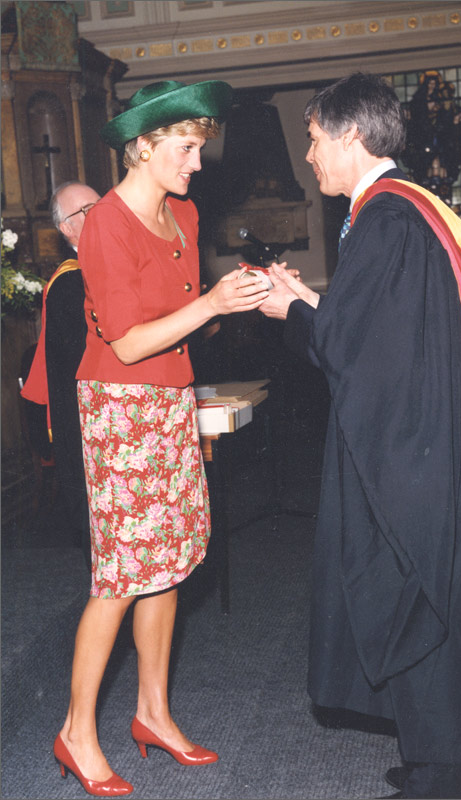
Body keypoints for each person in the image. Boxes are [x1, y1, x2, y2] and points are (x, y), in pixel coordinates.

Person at [260, 73, 461, 799]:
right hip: (430, 439)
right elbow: (379, 327)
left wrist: (293, 316)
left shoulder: (385, 221)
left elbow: (357, 350)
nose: (309, 156)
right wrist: (309, 301)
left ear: (351, 135)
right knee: (429, 604)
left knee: (420, 603)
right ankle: (439, 759)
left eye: (314, 139)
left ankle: (449, 778)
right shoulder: (404, 208)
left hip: (412, 456)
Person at [53, 79, 270, 797]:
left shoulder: (184, 212)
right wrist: (211, 302)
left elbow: (187, 322)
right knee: (121, 575)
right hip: (119, 407)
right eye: (185, 148)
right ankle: (76, 732)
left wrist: (247, 297)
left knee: (169, 563)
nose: (196, 164)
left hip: (172, 397)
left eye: (199, 148)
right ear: (142, 147)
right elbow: (127, 340)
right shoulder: (106, 226)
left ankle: (152, 713)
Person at [21, 181, 101, 567]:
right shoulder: (70, 283)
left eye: (100, 204)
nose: (98, 214)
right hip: (89, 429)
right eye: (85, 211)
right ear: (67, 228)